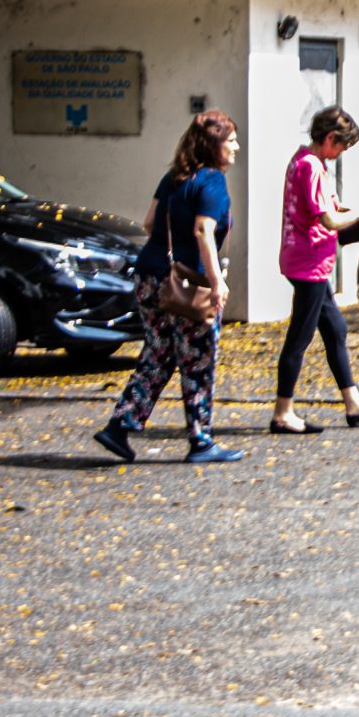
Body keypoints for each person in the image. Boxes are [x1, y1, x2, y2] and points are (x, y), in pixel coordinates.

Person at [97, 111, 245, 465]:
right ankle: (201, 440)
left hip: (149, 276)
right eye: (231, 140)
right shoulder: (212, 180)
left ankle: (120, 425)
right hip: (187, 284)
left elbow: (150, 222)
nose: (236, 147)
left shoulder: (173, 178)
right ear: (213, 145)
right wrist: (216, 280)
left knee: (158, 353)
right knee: (198, 359)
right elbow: (203, 231)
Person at [269, 107, 359, 436]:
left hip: (311, 263)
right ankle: (282, 413)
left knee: (336, 329)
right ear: (330, 138)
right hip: (307, 264)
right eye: (342, 146)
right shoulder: (309, 166)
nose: (342, 152)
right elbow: (329, 220)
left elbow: (325, 208)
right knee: (299, 338)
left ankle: (354, 403)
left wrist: (347, 212)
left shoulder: (306, 161)